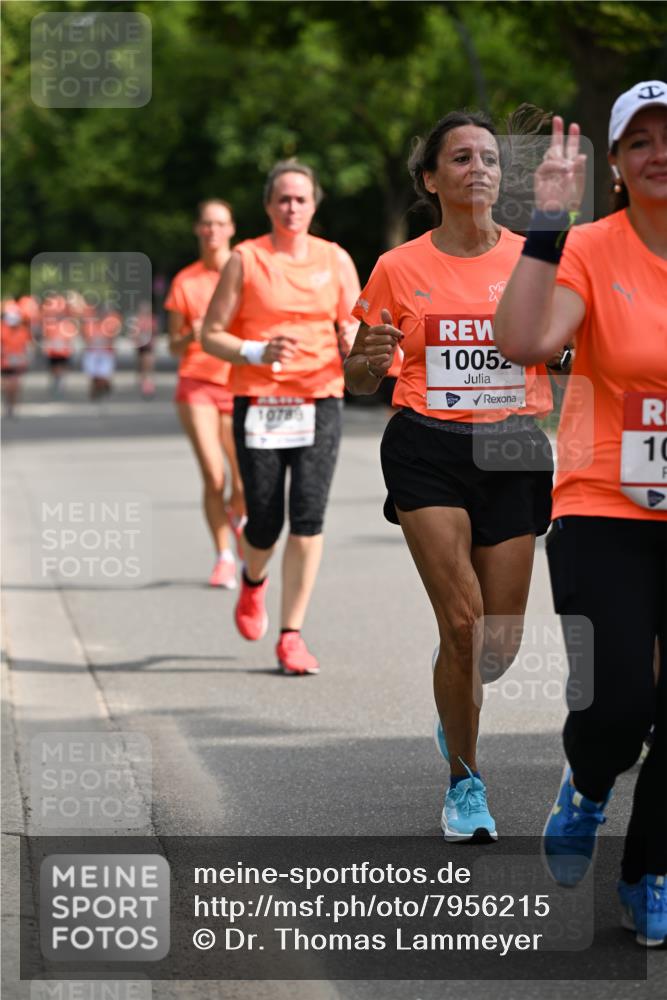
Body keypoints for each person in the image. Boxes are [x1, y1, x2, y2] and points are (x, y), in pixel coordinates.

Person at [344, 110, 555, 842]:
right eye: (460, 158)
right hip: (425, 447)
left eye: (489, 158)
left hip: (513, 449)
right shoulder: (397, 268)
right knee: (462, 627)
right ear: (430, 179)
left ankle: (453, 696)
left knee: (495, 646)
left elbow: (564, 344)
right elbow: (362, 372)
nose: (478, 168)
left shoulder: (537, 261)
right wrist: (367, 359)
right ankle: (465, 781)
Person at [493, 81, 667, 946]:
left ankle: (649, 869)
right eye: (639, 140)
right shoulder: (591, 249)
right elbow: (523, 344)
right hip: (605, 500)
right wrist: (546, 223)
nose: (659, 151)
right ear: (612, 165)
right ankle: (588, 787)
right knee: (618, 704)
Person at [201, 160, 361, 675]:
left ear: (315, 205)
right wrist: (255, 350)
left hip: (320, 397)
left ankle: (291, 634)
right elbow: (211, 334)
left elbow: (354, 323)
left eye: (301, 199)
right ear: (269, 205)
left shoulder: (335, 259)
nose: (292, 207)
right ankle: (252, 582)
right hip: (261, 401)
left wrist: (352, 341)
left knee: (309, 515)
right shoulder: (246, 259)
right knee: (265, 521)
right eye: (283, 199)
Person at [165, 199, 246, 588]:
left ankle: (238, 521)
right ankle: (224, 556)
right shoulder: (185, 281)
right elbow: (172, 346)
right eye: (206, 224)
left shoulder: (244, 271)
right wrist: (189, 335)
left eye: (220, 224)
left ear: (231, 229)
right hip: (196, 382)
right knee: (214, 476)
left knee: (244, 481)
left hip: (237, 382)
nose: (213, 231)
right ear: (198, 230)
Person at [1, 299, 32, 416]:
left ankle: (13, 406)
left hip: (17, 362)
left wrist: (27, 357)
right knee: (5, 386)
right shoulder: (2, 329)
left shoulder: (23, 331)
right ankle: (7, 403)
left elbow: (27, 346)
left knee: (15, 385)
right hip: (3, 362)